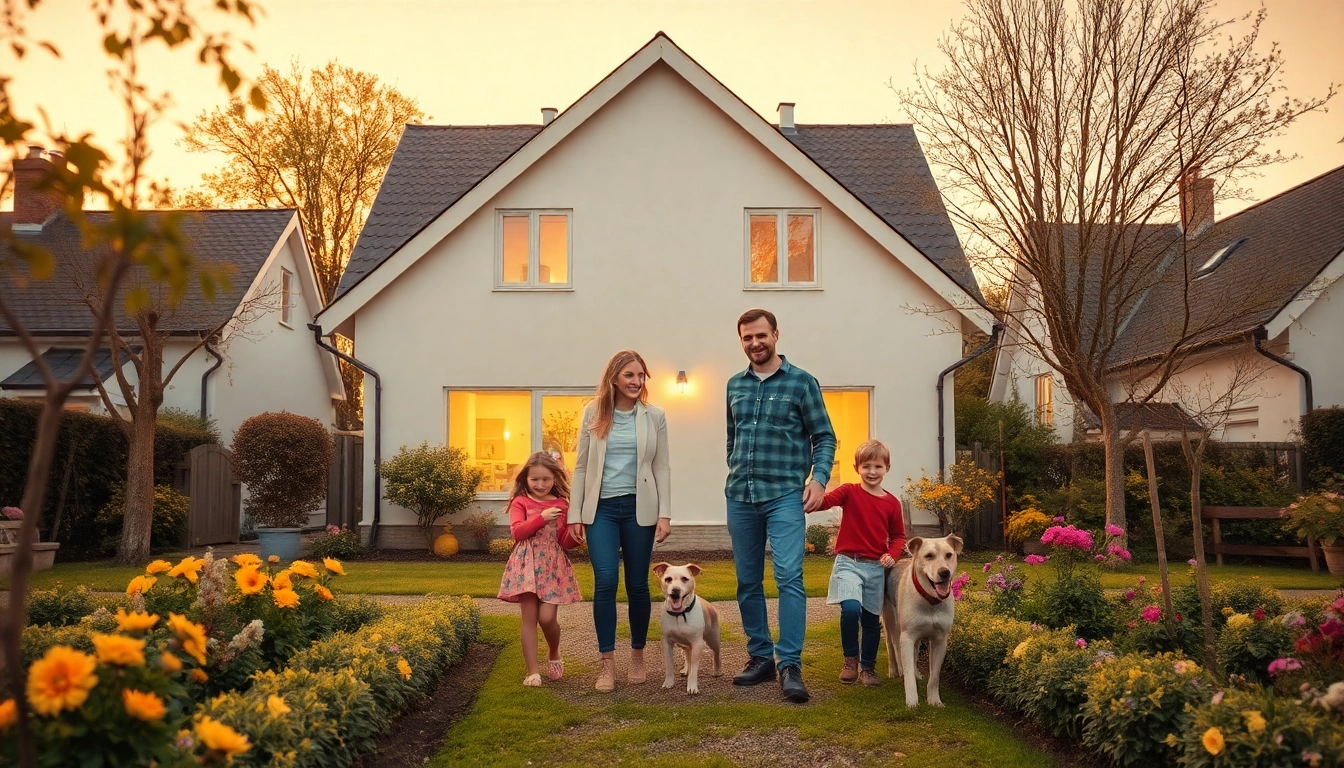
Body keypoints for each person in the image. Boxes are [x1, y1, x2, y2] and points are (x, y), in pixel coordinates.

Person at [725, 308, 836, 704]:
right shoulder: (734, 385)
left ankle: (790, 664)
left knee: (789, 576)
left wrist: (819, 480)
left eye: (761, 335)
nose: (754, 343)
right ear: (741, 341)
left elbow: (824, 437)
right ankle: (760, 658)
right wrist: (737, 468)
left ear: (775, 334)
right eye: (747, 338)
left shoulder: (802, 383)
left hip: (785, 496)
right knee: (746, 580)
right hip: (740, 496)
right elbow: (731, 439)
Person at [567, 350, 672, 692]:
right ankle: (607, 664)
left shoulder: (654, 416)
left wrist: (665, 513)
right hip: (602, 511)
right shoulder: (593, 413)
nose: (636, 381)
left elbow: (661, 467)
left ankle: (638, 656)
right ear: (614, 377)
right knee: (607, 580)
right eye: (629, 375)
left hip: (640, 509)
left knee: (638, 585)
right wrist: (575, 514)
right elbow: (581, 466)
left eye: (641, 375)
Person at [810, 439, 906, 687]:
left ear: (887, 468)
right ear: (857, 468)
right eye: (866, 466)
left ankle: (868, 668)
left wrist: (892, 555)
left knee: (872, 619)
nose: (872, 472)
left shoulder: (892, 503)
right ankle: (850, 660)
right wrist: (805, 499)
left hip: (875, 567)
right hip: (848, 564)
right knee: (851, 609)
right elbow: (824, 501)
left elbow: (898, 537)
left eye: (877, 466)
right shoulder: (849, 491)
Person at [497, 452, 582, 687]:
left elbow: (565, 541)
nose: (540, 484)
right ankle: (532, 672)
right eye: (535, 479)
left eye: (546, 479)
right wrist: (541, 518)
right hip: (526, 565)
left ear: (555, 479)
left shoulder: (562, 505)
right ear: (526, 479)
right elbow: (517, 533)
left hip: (553, 566)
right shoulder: (520, 502)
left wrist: (577, 537)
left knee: (547, 618)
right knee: (529, 620)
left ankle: (554, 651)